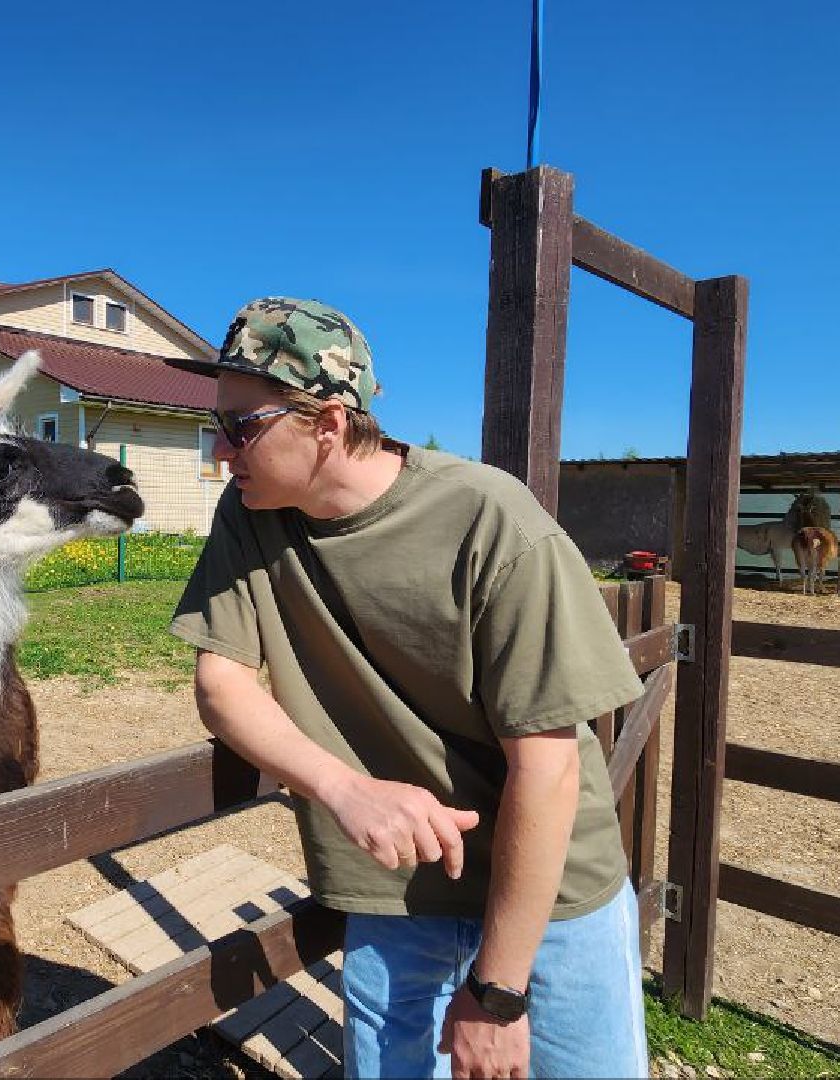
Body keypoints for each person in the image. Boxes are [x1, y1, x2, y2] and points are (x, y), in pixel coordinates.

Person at [168, 297, 649, 1079]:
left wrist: (496, 993)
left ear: (326, 422)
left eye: (241, 426)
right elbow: (221, 683)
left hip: (550, 899)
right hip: (394, 894)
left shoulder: (491, 520)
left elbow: (549, 763)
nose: (222, 450)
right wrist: (344, 790)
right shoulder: (252, 513)